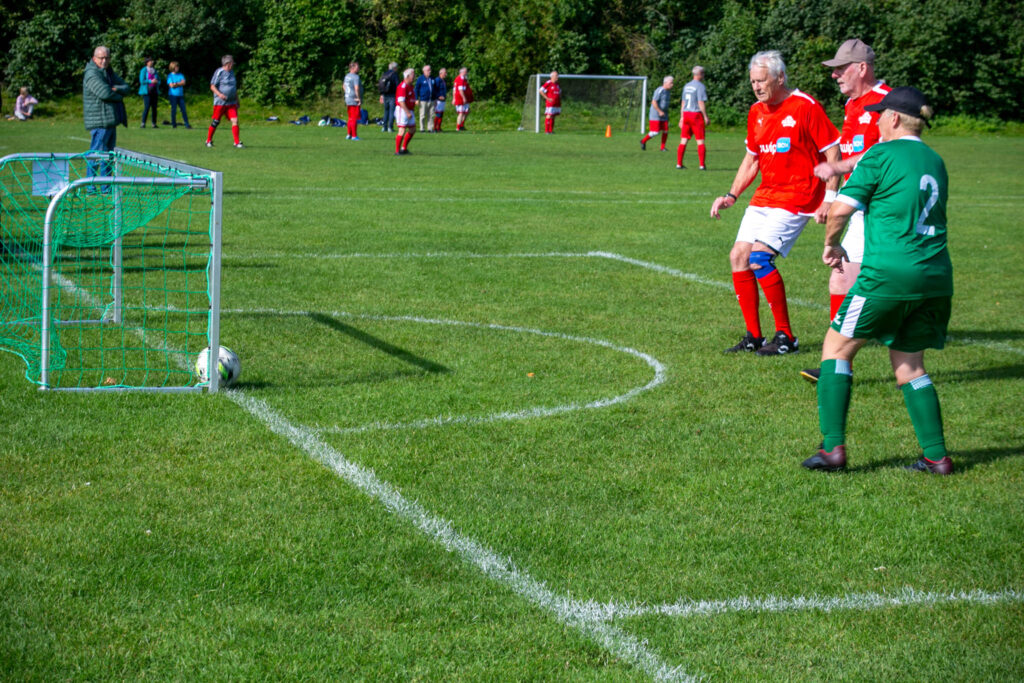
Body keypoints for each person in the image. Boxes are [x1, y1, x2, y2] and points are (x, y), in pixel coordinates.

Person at [802, 87, 953, 475]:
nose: (877, 120)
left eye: (881, 114)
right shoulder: (935, 160)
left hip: (889, 275)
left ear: (895, 118)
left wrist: (831, 245)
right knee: (909, 364)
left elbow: (840, 210)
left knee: (836, 349)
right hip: (935, 276)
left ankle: (832, 449)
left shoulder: (879, 154)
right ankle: (937, 457)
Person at [709, 50, 841, 356]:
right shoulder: (756, 111)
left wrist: (830, 198)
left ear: (780, 78)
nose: (756, 87)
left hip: (798, 195)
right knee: (738, 256)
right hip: (766, 194)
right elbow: (752, 159)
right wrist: (731, 195)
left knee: (759, 258)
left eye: (761, 80)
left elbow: (833, 152)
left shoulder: (805, 106)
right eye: (753, 81)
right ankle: (754, 337)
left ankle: (786, 338)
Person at [800, 39, 892, 383]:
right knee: (842, 276)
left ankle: (837, 365)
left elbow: (887, 154)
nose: (835, 74)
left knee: (871, 284)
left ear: (862, 68)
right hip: (860, 208)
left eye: (841, 68)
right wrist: (832, 196)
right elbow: (848, 156)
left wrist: (840, 181)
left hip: (882, 210)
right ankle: (836, 363)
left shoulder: (887, 102)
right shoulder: (853, 105)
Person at [82, 46, 130, 184]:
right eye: (101, 58)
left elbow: (126, 87)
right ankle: (90, 185)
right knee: (96, 155)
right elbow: (105, 93)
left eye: (107, 58)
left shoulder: (108, 72)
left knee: (108, 157)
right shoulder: (91, 74)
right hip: (99, 122)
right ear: (94, 58)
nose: (104, 61)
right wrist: (119, 96)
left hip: (110, 120)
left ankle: (106, 187)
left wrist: (116, 88)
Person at [206, 55, 242, 148]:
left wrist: (237, 100)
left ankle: (236, 142)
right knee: (216, 121)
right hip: (220, 103)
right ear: (227, 64)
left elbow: (234, 88)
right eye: (232, 63)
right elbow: (212, 86)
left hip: (231, 102)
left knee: (235, 120)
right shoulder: (219, 72)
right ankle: (208, 140)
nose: (233, 65)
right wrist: (220, 94)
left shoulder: (232, 72)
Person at [677, 66, 709, 170]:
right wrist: (705, 116)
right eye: (703, 73)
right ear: (699, 74)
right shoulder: (700, 86)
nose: (703, 75)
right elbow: (700, 102)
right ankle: (702, 165)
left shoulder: (686, 86)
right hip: (695, 115)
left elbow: (683, 102)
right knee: (700, 140)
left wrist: (681, 117)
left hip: (686, 114)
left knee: (683, 140)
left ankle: (679, 164)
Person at [640, 76, 673, 151]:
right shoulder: (659, 90)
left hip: (664, 114)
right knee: (655, 132)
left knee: (665, 130)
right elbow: (654, 102)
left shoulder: (668, 91)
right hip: (655, 114)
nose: (672, 85)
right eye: (670, 83)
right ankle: (643, 141)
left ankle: (662, 148)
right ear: (665, 83)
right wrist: (659, 111)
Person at [394, 68, 416, 155]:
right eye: (413, 75)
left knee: (412, 129)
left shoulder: (410, 86)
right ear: (407, 76)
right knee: (402, 130)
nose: (414, 77)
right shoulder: (403, 86)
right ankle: (397, 151)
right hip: (402, 110)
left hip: (409, 110)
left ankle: (404, 148)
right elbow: (401, 102)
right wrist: (407, 112)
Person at [166, 61, 191, 129]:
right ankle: (174, 124)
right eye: (176, 67)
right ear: (173, 67)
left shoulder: (180, 75)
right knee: (174, 110)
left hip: (180, 95)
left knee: (183, 110)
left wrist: (176, 84)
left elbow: (183, 83)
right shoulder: (170, 76)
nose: (178, 68)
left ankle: (187, 124)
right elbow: (171, 85)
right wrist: (179, 83)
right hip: (173, 95)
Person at [138, 57, 160, 128]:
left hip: (154, 91)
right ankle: (143, 123)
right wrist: (150, 81)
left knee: (154, 108)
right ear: (147, 62)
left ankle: (154, 123)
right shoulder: (143, 70)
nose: (152, 62)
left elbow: (159, 80)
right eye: (150, 61)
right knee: (147, 107)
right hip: (147, 91)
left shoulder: (155, 70)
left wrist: (157, 82)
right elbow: (142, 81)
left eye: (152, 61)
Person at [343, 61, 362, 140]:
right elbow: (356, 88)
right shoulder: (355, 77)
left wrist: (347, 93)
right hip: (354, 99)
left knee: (350, 118)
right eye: (357, 67)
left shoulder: (347, 76)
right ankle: (354, 136)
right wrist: (358, 98)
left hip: (347, 98)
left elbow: (343, 86)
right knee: (354, 118)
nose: (359, 68)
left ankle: (349, 134)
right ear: (353, 68)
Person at [378, 62, 399, 133]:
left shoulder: (384, 74)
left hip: (385, 94)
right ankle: (390, 127)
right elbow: (397, 85)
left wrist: (381, 94)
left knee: (386, 111)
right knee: (392, 111)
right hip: (392, 95)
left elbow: (381, 84)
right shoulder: (394, 74)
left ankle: (384, 127)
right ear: (395, 68)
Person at [415, 65, 436, 132]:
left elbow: (435, 89)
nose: (429, 71)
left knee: (431, 115)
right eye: (428, 70)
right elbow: (416, 89)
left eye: (430, 70)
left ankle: (430, 128)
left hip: (431, 99)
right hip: (423, 100)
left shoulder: (432, 78)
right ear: (424, 71)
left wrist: (435, 99)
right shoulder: (420, 79)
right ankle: (422, 128)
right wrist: (416, 99)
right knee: (423, 115)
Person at [453, 67, 471, 131]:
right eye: (466, 72)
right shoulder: (459, 79)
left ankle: (461, 125)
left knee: (466, 111)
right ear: (462, 72)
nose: (467, 73)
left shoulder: (464, 79)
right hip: (460, 98)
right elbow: (460, 90)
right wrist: (463, 98)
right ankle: (458, 127)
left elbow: (454, 89)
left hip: (464, 98)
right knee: (461, 112)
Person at [432, 68, 447, 132]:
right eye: (445, 73)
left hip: (443, 100)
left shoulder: (443, 80)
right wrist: (438, 96)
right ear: (440, 73)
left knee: (441, 114)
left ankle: (439, 127)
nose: (446, 74)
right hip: (438, 100)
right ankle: (435, 128)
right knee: (438, 114)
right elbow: (434, 89)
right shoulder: (437, 80)